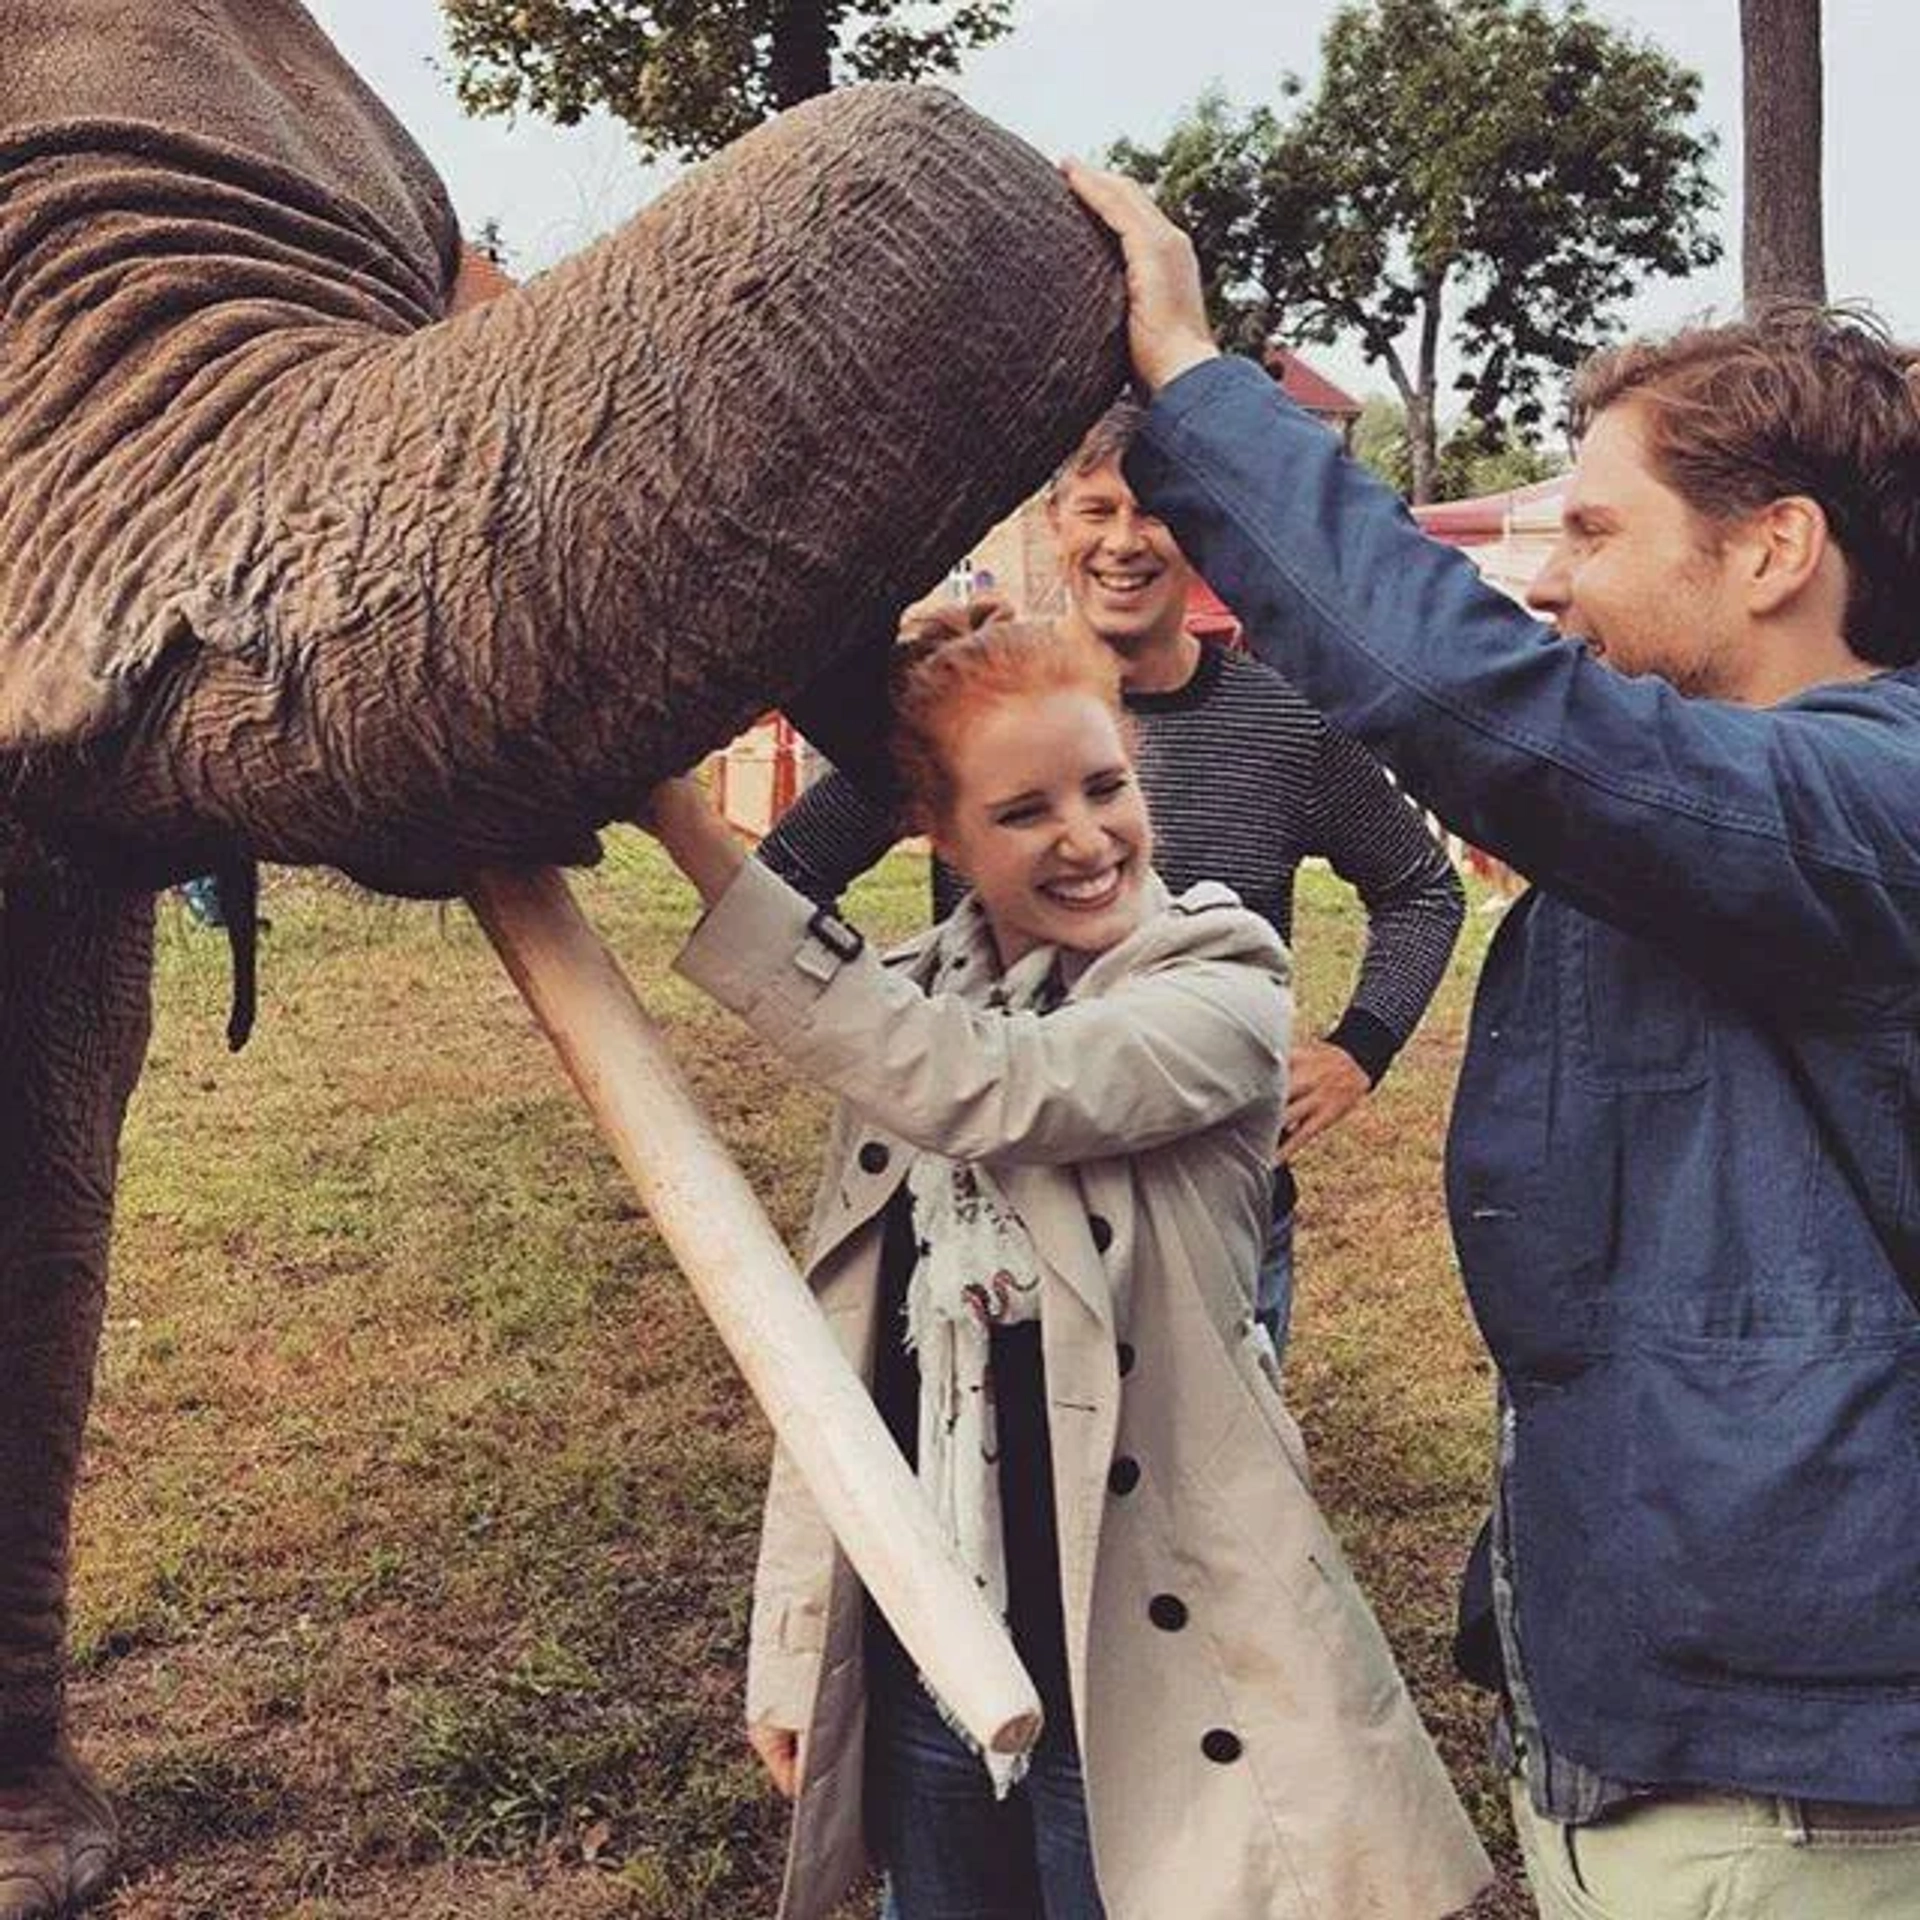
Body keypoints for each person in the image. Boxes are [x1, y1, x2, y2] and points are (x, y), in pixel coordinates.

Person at [1064, 158, 1920, 1918]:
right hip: (1660, 1730)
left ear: (1775, 549)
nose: (1546, 581)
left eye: (1595, 530)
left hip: (1802, 1802)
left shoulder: (1868, 806)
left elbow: (1481, 709)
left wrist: (1194, 383)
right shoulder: (1727, 829)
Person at [646, 608, 1490, 1920]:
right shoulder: (915, 1007)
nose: (1087, 837)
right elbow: (842, 1369)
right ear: (944, 838)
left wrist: (674, 819)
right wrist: (799, 1648)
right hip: (943, 1654)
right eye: (1025, 809)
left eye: (1105, 786)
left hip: (1158, 1679)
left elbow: (992, 1091)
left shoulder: (1222, 988)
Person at [759, 403, 1464, 1357]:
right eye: (1096, 511)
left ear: (1204, 529)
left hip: (1212, 1206)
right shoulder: (978, 715)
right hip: (1003, 1205)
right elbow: (789, 874)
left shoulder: (1287, 724)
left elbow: (1422, 887)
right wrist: (898, 1023)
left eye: (1159, 513)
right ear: (1055, 523)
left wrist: (1360, 1048)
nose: (1124, 543)